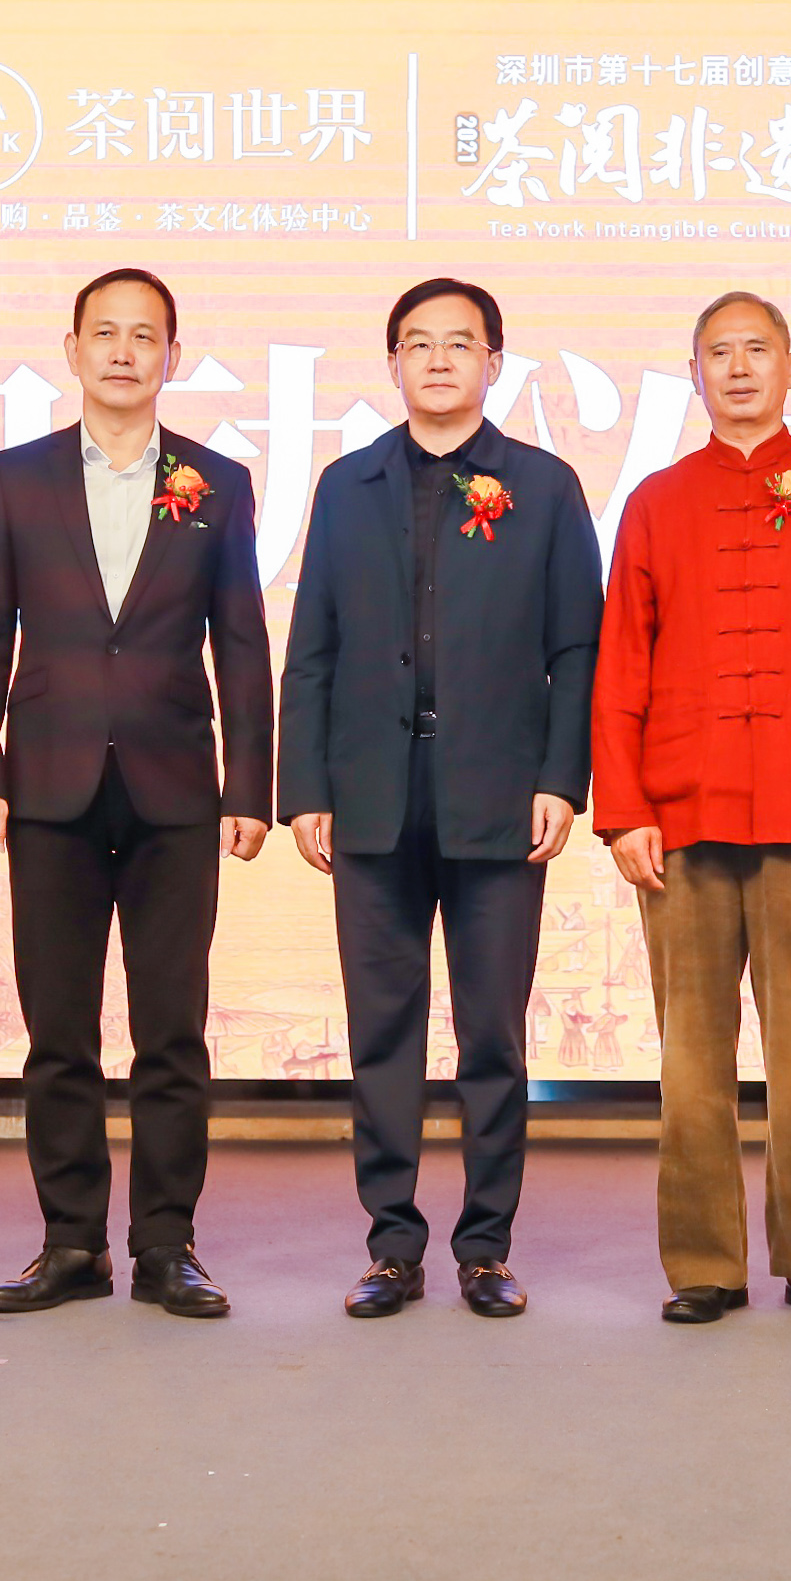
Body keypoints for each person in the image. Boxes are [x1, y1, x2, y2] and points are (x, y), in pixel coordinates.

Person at [0, 269, 271, 1321]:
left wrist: (248, 786)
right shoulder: (17, 476)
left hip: (176, 788)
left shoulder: (215, 481)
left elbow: (241, 641)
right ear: (73, 349)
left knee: (171, 1030)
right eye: (105, 333)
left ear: (171, 357)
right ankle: (71, 1242)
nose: (124, 351)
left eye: (144, 336)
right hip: (47, 786)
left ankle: (167, 1244)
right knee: (58, 1030)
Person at [281, 279, 602, 1319]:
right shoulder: (347, 485)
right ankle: (391, 1245)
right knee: (382, 1032)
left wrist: (560, 779)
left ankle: (485, 1247)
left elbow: (576, 648)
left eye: (458, 343)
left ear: (493, 363)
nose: (436, 360)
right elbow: (313, 645)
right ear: (392, 364)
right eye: (416, 344)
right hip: (371, 796)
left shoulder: (543, 486)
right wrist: (305, 787)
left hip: (498, 796)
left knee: (492, 1035)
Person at [595, 291, 791, 1327]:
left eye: (756, 350)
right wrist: (624, 809)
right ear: (694, 374)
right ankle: (703, 1264)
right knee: (690, 1057)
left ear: (790, 367)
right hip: (679, 815)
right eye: (717, 353)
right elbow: (620, 666)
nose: (737, 368)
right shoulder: (655, 501)